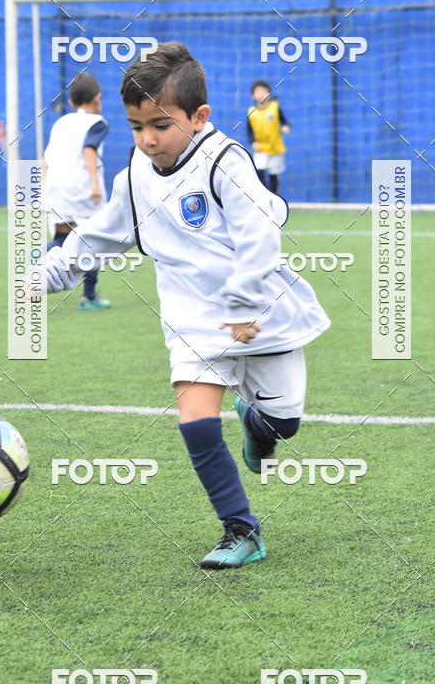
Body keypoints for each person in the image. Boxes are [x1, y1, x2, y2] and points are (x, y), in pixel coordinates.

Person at [44, 43, 330, 568]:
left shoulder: (225, 162)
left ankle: (259, 425)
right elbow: (102, 233)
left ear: (199, 117)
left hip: (258, 316)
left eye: (160, 124)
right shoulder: (135, 174)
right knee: (196, 422)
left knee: (282, 423)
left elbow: (259, 235)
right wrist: (51, 272)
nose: (148, 139)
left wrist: (244, 303)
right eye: (136, 127)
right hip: (192, 322)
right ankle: (241, 530)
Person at [44, 72, 111, 310]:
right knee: (92, 243)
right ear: (98, 98)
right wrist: (95, 184)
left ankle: (38, 259)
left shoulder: (61, 123)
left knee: (62, 239)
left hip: (57, 189)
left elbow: (46, 157)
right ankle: (89, 297)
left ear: (72, 103)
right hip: (82, 191)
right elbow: (89, 150)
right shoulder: (98, 122)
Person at [247, 80, 290, 196]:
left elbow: (283, 120)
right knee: (259, 170)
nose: (261, 94)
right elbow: (249, 131)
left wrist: (285, 126)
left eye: (264, 91)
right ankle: (264, 194)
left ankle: (274, 195)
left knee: (273, 174)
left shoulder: (275, 107)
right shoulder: (251, 112)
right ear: (253, 95)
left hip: (275, 147)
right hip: (261, 148)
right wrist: (252, 142)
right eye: (258, 92)